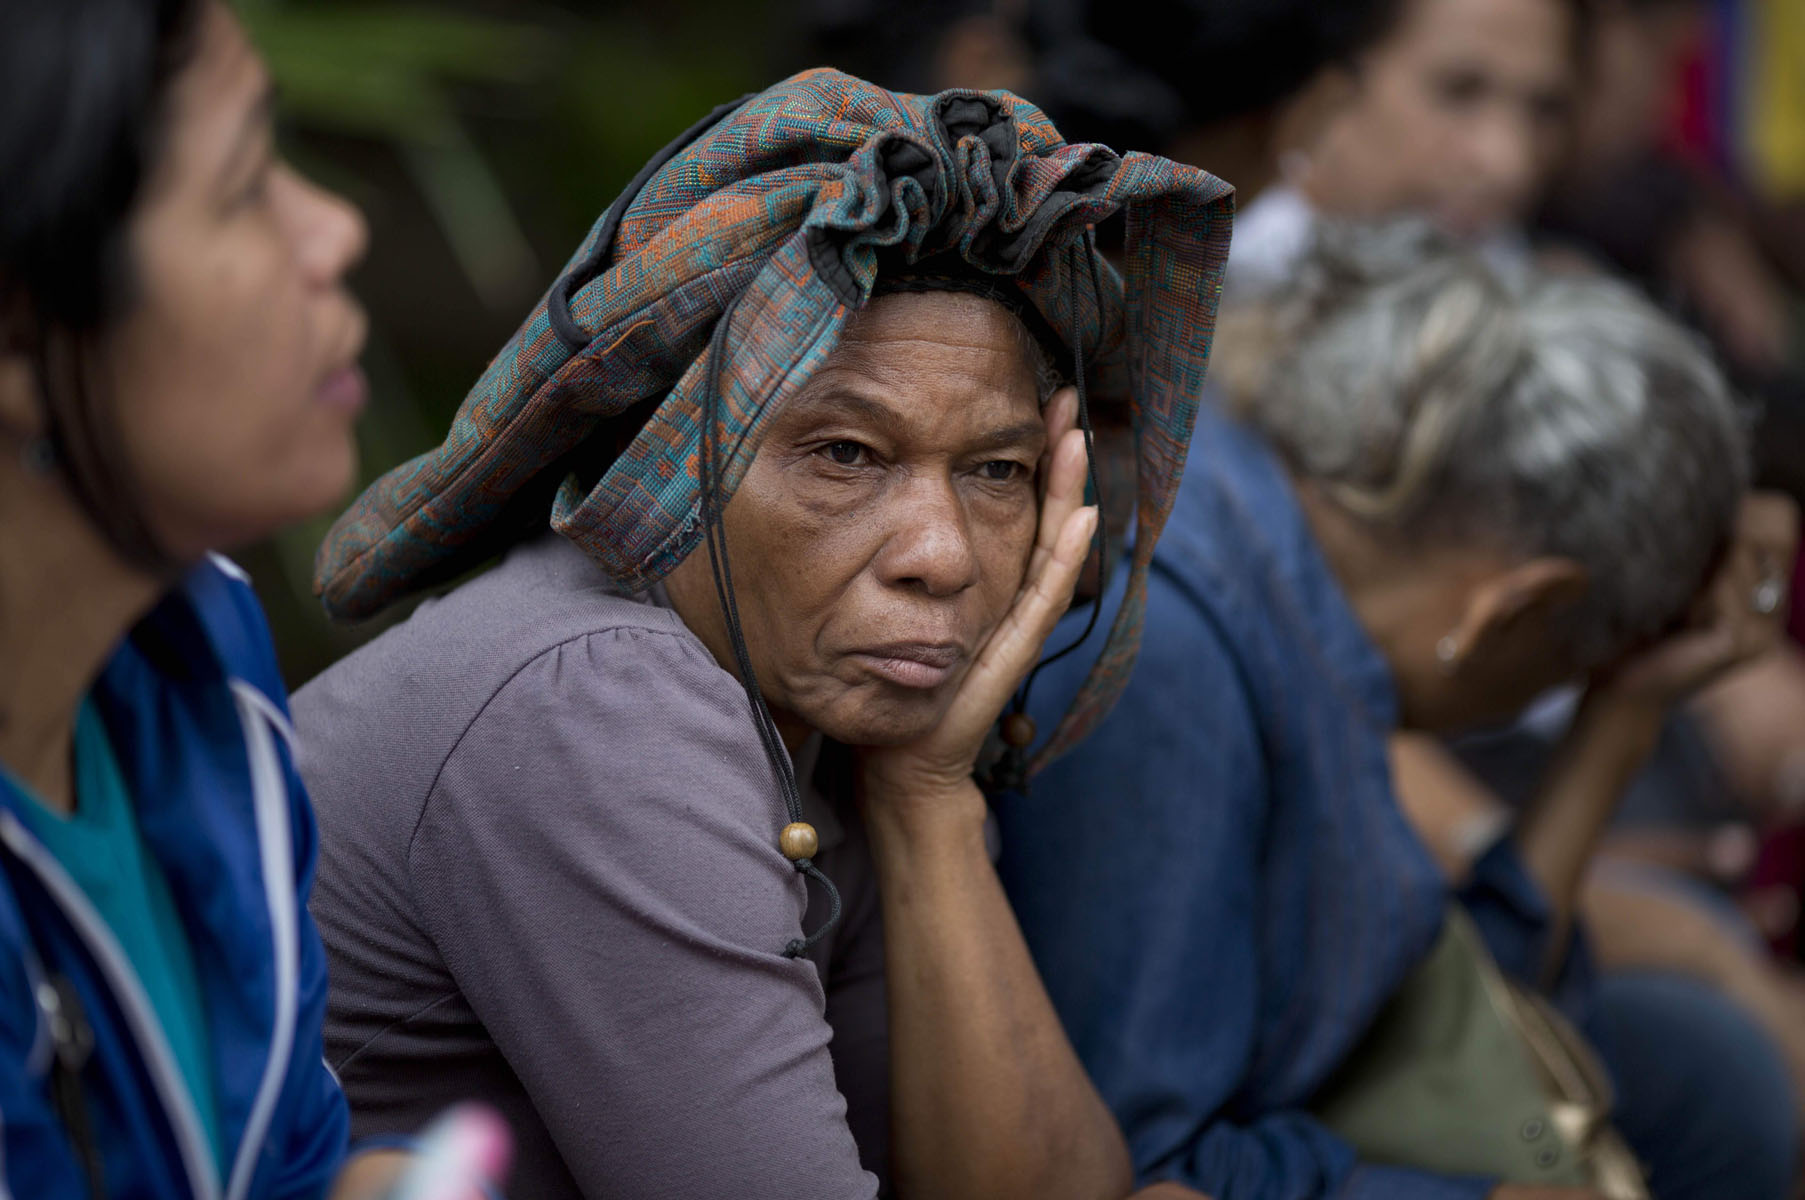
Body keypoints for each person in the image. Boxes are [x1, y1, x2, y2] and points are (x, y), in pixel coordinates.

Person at [292, 69, 1234, 1200]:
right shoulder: (601, 699)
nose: (937, 554)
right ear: (671, 470)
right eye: (843, 455)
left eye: (995, 471)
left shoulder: (832, 722)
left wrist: (927, 798)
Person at [996, 223, 1797, 1199]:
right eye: (1570, 658)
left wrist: (1619, 715)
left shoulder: (1294, 564)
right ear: (1514, 607)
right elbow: (1140, 1164)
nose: (1556, 683)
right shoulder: (1173, 665)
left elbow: (1433, 1011)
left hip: (1307, 1110)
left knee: (1694, 1065)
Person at [0, 0, 436, 1195]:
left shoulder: (205, 656)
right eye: (246, 186)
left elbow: (279, 1157)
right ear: (18, 335)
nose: (337, 228)